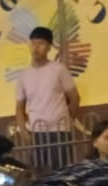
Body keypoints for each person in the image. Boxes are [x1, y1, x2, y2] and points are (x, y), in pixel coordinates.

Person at [15, 26, 81, 171]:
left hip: (60, 132)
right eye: (33, 43)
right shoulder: (24, 75)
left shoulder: (59, 69)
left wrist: (68, 121)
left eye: (41, 43)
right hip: (37, 133)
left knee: (62, 173)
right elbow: (19, 108)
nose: (36, 47)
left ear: (49, 47)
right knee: (40, 175)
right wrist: (24, 132)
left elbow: (75, 98)